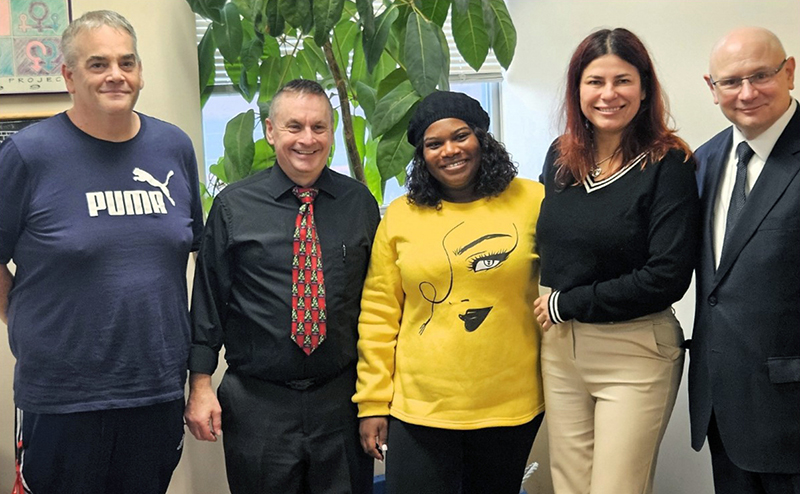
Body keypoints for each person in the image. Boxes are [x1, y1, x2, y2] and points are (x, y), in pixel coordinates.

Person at [0, 10, 203, 494]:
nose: (116, 75)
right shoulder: (29, 155)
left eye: (126, 62)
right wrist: (26, 318)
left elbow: (194, 246)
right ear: (69, 75)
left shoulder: (173, 147)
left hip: (154, 390)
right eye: (97, 64)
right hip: (62, 397)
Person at [185, 78, 380, 494]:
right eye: (294, 127)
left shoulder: (359, 204)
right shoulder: (233, 207)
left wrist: (376, 400)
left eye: (318, 127)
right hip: (258, 404)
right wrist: (199, 386)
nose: (307, 139)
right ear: (271, 131)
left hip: (340, 401)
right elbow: (208, 303)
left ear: (331, 133)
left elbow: (378, 307)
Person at [532, 28, 699, 494]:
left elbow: (666, 277)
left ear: (644, 89)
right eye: (595, 82)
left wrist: (569, 302)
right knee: (568, 486)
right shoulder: (560, 158)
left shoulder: (669, 164)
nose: (608, 94)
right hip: (561, 351)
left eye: (622, 81)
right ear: (577, 89)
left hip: (635, 353)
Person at [354, 90, 545, 494]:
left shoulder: (533, 201)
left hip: (509, 406)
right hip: (420, 409)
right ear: (421, 155)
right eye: (434, 144)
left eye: (460, 137)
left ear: (482, 139)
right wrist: (372, 402)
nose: (449, 151)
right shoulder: (401, 215)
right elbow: (378, 314)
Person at [689, 27, 800, 493]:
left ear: (790, 72)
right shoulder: (703, 161)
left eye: (761, 75)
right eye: (731, 81)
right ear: (712, 89)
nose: (747, 93)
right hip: (724, 406)